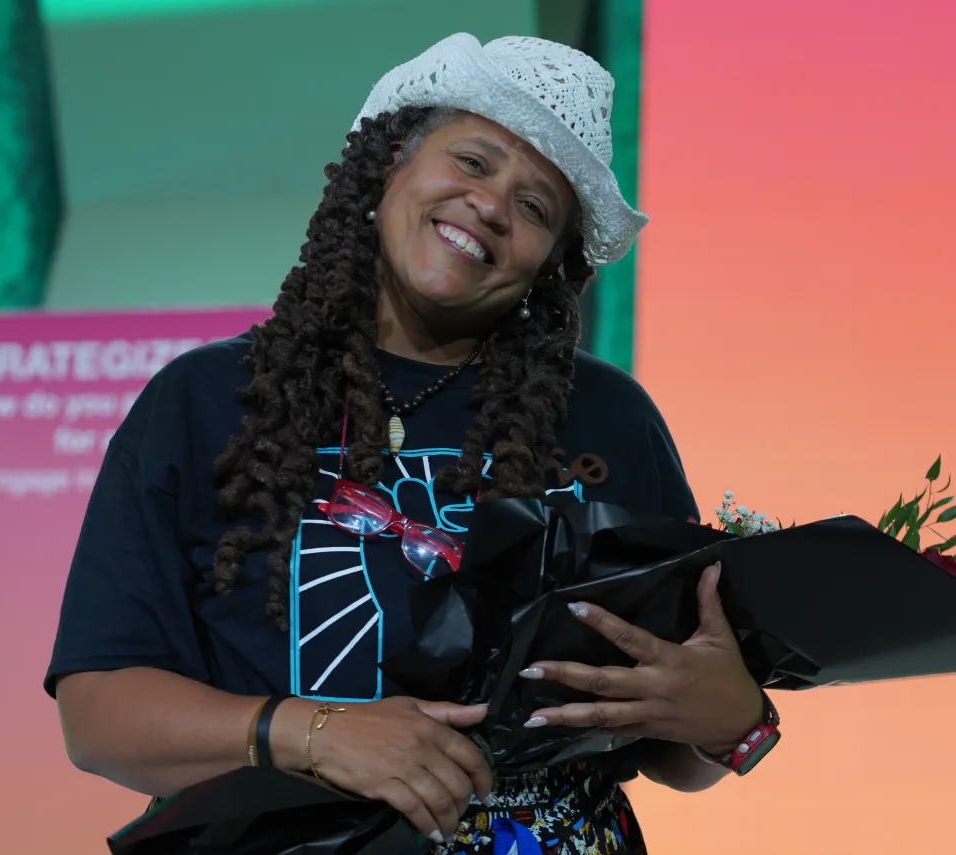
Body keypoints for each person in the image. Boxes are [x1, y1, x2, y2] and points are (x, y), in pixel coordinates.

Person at [46, 33, 776, 854]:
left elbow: (668, 743)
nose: (494, 205)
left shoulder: (609, 419)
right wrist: (314, 733)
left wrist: (733, 717)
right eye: (472, 161)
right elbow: (98, 712)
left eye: (536, 208)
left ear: (549, 265)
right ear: (391, 159)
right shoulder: (206, 401)